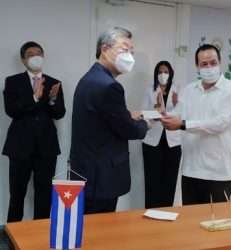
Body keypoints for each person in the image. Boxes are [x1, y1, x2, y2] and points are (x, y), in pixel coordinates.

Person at [70, 27, 148, 214]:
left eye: (132, 52)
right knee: (98, 233)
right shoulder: (110, 86)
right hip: (101, 176)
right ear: (104, 49)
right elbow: (129, 130)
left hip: (85, 170)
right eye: (124, 49)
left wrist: (125, 115)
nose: (130, 56)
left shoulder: (90, 78)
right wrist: (146, 123)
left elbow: (102, 118)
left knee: (87, 227)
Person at [161, 44, 231, 205]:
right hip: (190, 171)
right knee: (191, 226)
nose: (209, 67)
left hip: (218, 174)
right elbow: (177, 114)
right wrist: (161, 115)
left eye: (213, 62)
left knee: (216, 225)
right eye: (204, 64)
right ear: (197, 67)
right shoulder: (189, 90)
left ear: (220, 62)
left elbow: (220, 124)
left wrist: (183, 124)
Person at [3, 41, 65, 222]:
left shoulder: (54, 82)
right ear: (23, 60)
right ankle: (13, 239)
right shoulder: (13, 81)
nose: (36, 57)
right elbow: (11, 111)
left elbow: (60, 113)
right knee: (17, 196)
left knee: (44, 196)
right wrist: (34, 98)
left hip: (46, 148)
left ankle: (40, 238)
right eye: (31, 54)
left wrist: (53, 100)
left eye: (39, 53)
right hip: (19, 147)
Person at [142, 61, 181, 208]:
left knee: (169, 181)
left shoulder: (178, 90)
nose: (162, 75)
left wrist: (177, 104)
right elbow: (143, 113)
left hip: (173, 142)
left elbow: (182, 115)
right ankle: (150, 212)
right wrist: (155, 111)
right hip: (152, 142)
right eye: (160, 72)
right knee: (152, 181)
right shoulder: (149, 90)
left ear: (170, 74)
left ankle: (166, 213)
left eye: (165, 71)